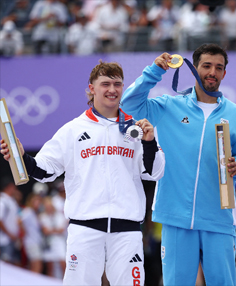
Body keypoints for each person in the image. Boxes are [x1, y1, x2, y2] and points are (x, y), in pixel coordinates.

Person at [1, 60, 165, 285]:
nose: (112, 89)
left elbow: (154, 172)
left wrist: (149, 142)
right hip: (85, 230)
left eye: (117, 84)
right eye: (105, 83)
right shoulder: (72, 130)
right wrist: (21, 156)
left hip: (127, 232)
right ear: (91, 88)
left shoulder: (136, 129)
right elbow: (45, 170)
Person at [121, 43, 236, 285]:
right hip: (176, 217)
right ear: (194, 68)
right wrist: (154, 71)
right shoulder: (170, 106)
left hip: (219, 217)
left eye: (218, 67)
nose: (212, 72)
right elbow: (129, 104)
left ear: (225, 73)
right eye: (206, 66)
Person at [0, 178, 21, 266]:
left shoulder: (12, 201)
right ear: (8, 187)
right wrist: (9, 234)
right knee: (6, 265)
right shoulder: (2, 201)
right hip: (4, 239)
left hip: (13, 238)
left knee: (15, 264)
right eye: (13, 187)